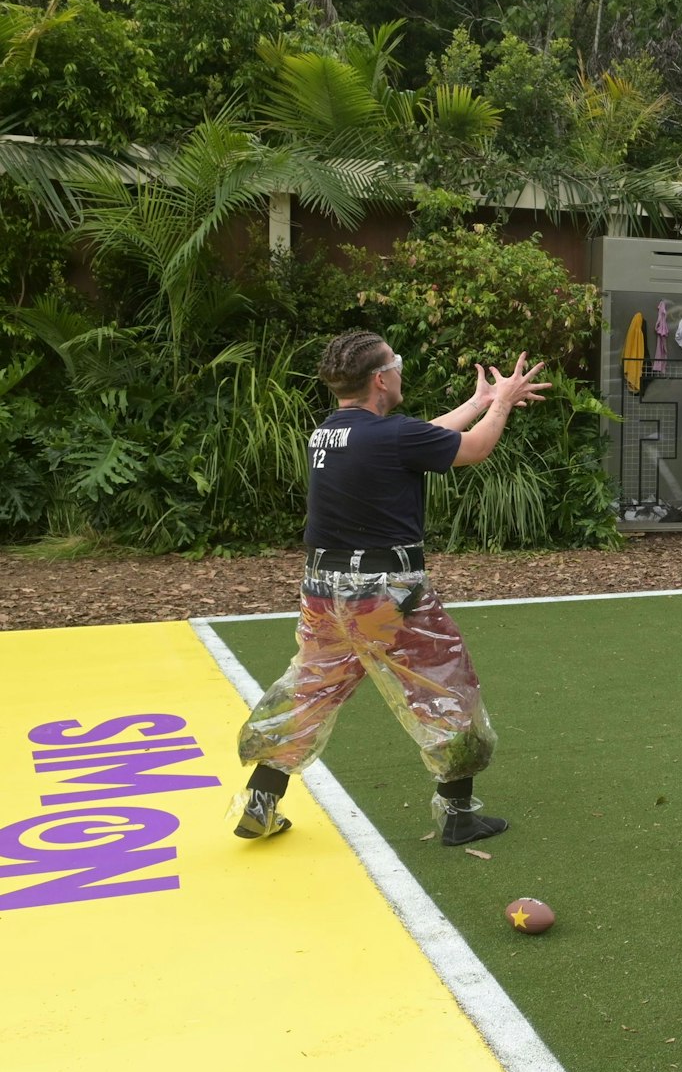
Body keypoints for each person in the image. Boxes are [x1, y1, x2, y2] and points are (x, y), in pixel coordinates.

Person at [230, 330, 547, 845]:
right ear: (382, 378)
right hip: (381, 592)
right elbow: (474, 448)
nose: (400, 371)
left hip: (323, 588)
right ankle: (458, 816)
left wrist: (479, 400)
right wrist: (503, 404)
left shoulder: (331, 433)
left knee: (311, 688)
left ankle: (262, 800)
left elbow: (424, 438)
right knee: (445, 687)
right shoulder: (389, 435)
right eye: (396, 364)